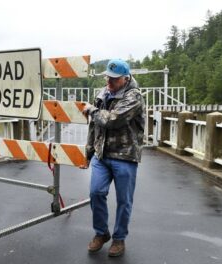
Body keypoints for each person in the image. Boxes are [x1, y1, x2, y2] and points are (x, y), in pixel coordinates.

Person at [81, 59, 145, 257]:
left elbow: (112, 120)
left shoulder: (134, 96)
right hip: (102, 155)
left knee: (124, 200)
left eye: (114, 79)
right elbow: (95, 126)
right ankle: (101, 233)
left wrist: (91, 109)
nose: (109, 81)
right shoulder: (102, 93)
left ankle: (119, 239)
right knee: (96, 193)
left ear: (125, 79)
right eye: (108, 76)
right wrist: (89, 153)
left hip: (125, 155)